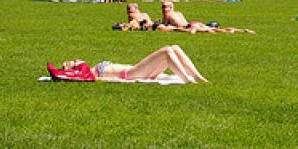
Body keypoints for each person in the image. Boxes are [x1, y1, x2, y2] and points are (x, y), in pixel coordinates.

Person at [48, 45, 207, 83]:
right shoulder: (92, 74)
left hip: (136, 70)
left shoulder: (92, 69)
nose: (75, 59)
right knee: (166, 51)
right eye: (72, 62)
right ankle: (187, 80)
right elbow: (94, 79)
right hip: (132, 74)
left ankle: (198, 77)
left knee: (175, 48)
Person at [155, 0, 254, 33]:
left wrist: (158, 23)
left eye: (164, 7)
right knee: (215, 29)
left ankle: (230, 32)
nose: (163, 9)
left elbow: (165, 25)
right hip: (193, 23)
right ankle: (242, 30)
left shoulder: (168, 14)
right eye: (163, 7)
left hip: (190, 26)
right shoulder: (178, 12)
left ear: (170, 7)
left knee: (212, 30)